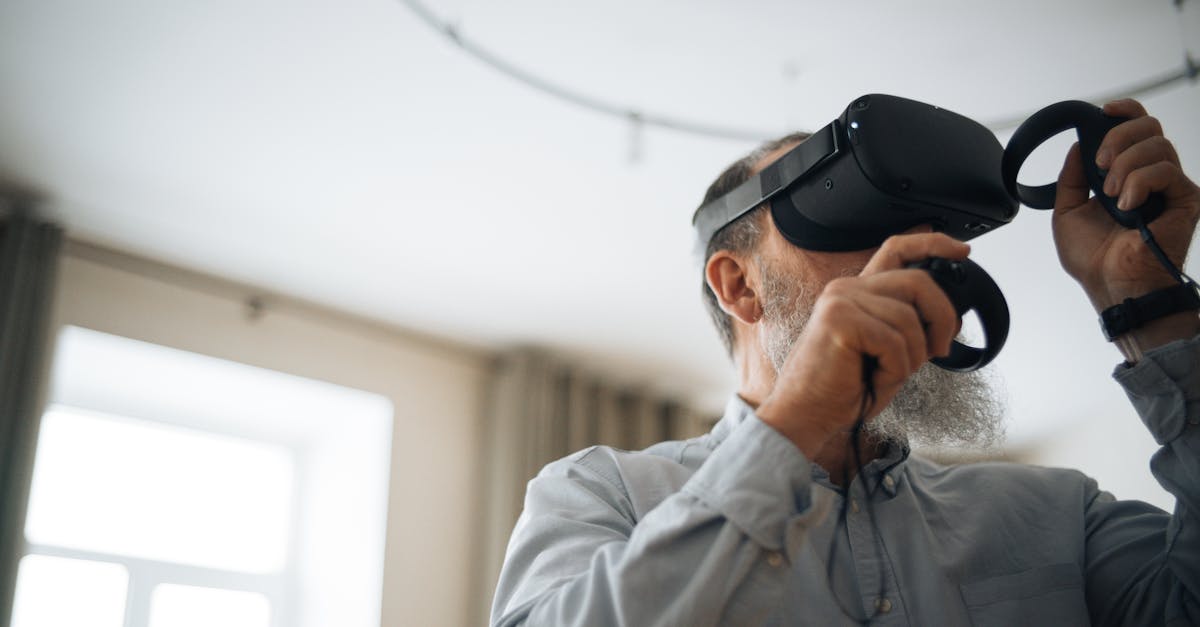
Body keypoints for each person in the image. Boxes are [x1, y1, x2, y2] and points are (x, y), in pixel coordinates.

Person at [490, 98, 1200, 625]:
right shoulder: (604, 495)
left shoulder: (1056, 517)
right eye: (849, 216)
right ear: (739, 286)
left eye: (924, 228)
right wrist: (797, 420)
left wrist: (1150, 306)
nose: (913, 251)